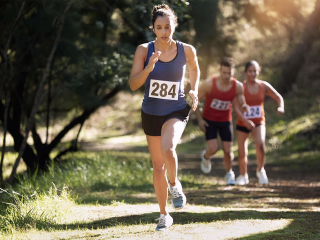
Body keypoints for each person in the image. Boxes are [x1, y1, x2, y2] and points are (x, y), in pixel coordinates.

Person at [129, 4, 200, 231]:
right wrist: (148, 68)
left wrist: (193, 89)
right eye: (159, 27)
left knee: (168, 148)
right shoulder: (143, 50)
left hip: (176, 109)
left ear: (174, 26)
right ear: (153, 28)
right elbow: (133, 85)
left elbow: (195, 69)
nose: (164, 31)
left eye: (168, 27)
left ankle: (175, 185)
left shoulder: (186, 50)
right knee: (158, 166)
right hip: (151, 112)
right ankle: (163, 215)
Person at [195, 57, 248, 185]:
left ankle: (229, 174)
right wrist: (200, 120)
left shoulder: (237, 86)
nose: (226, 76)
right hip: (209, 120)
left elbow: (242, 101)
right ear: (220, 71)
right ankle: (206, 157)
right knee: (213, 148)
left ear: (233, 72)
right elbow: (195, 101)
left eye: (229, 73)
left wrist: (244, 106)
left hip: (225, 120)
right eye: (224, 73)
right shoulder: (209, 84)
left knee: (228, 150)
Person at [234, 60, 284, 185]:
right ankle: (243, 175)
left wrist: (281, 107)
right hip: (242, 123)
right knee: (242, 151)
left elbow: (279, 97)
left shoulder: (263, 85)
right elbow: (235, 107)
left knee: (260, 144)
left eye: (255, 71)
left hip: (258, 121)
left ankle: (261, 170)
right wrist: (245, 121)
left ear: (259, 71)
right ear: (246, 72)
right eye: (250, 71)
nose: (253, 73)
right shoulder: (241, 87)